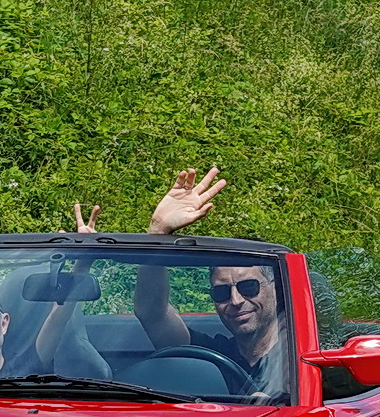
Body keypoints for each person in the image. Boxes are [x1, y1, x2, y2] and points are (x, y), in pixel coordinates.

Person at [76, 167, 288, 397]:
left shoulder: (300, 356)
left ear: (275, 288)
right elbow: (151, 312)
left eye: (248, 287)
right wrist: (157, 233)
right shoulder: (210, 353)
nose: (235, 300)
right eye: (221, 292)